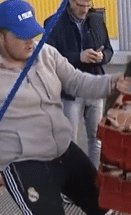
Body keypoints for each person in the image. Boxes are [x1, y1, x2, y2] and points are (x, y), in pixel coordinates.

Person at [0, 0, 131, 215]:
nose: (29, 42)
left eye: (32, 34)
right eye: (21, 36)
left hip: (62, 148)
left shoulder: (45, 53)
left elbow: (76, 81)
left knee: (101, 204)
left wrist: (110, 83)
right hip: (23, 162)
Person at [44, 0, 113, 168]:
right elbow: (47, 58)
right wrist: (78, 57)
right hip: (70, 93)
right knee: (69, 143)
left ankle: (93, 181)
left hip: (95, 87)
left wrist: (102, 56)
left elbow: (109, 50)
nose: (85, 10)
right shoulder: (53, 23)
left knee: (96, 141)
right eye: (81, 6)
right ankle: (70, 184)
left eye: (88, 5)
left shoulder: (96, 19)